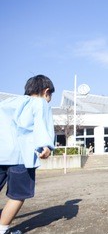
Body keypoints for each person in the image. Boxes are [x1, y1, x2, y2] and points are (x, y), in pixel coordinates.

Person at [0, 75, 56, 234]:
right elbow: (40, 123)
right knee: (18, 194)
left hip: (1, 154)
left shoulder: (7, 102)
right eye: (50, 96)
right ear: (46, 91)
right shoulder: (40, 103)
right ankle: (3, 229)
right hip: (21, 157)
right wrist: (45, 145)